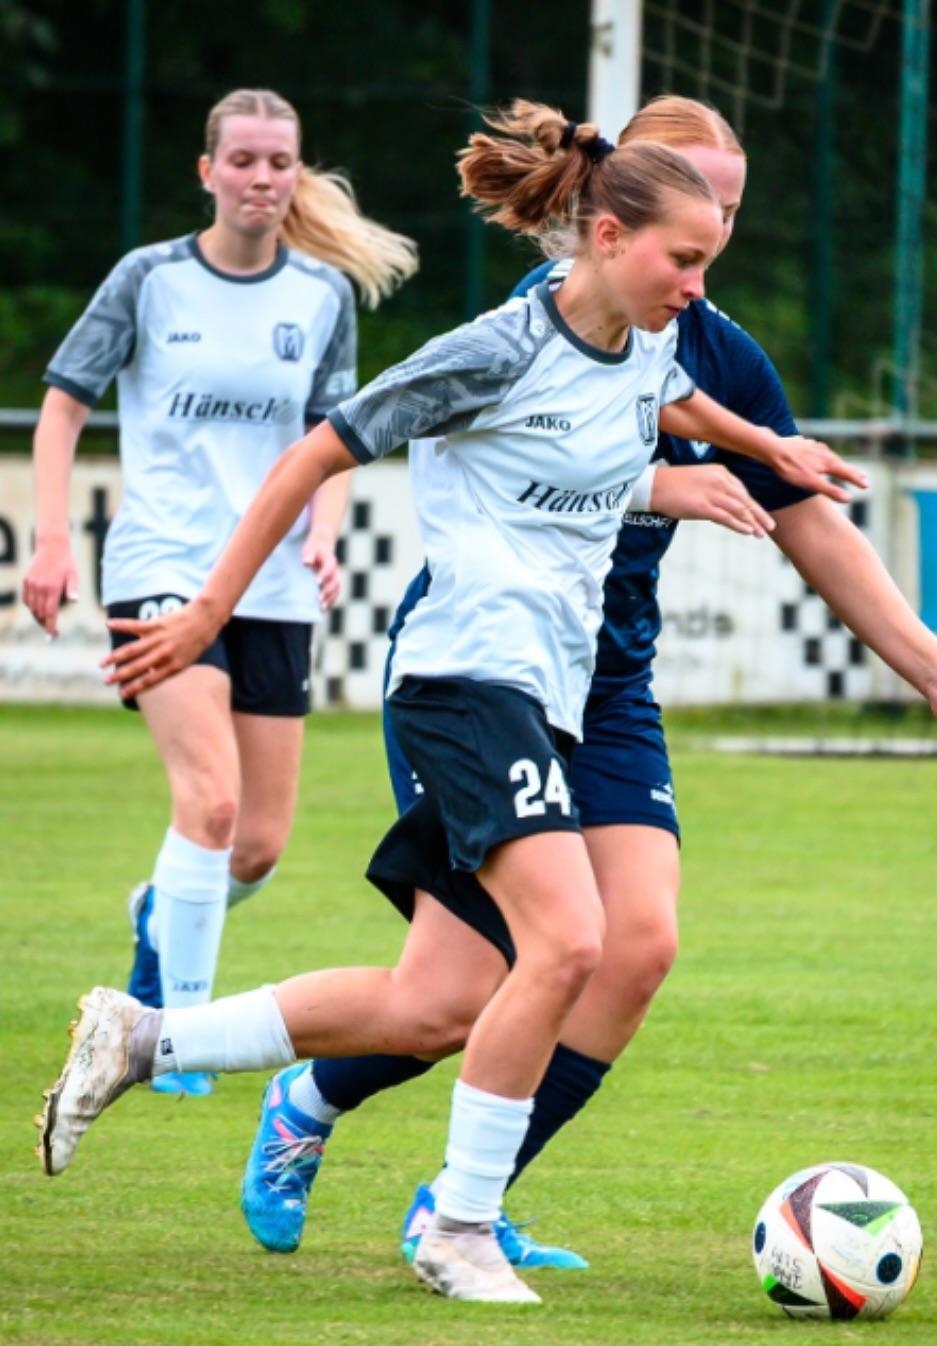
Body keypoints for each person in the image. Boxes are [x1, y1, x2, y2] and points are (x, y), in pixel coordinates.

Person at [36, 99, 868, 1306]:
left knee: (430, 1003)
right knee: (571, 939)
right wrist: (211, 610)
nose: (698, 285)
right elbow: (315, 452)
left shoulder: (641, 339)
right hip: (466, 679)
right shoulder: (489, 350)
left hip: (543, 695)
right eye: (683, 258)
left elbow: (668, 405)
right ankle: (459, 1225)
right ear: (604, 236)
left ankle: (146, 1035)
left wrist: (762, 451)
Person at [232, 95, 937, 1270]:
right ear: (617, 202)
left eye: (732, 209)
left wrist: (936, 674)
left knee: (634, 945)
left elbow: (807, 519)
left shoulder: (710, 340)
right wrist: (667, 485)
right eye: (695, 198)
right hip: (483, 670)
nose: (715, 230)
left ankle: (462, 1201)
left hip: (608, 685)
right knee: (481, 977)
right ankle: (307, 1099)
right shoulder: (558, 313)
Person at [22, 88, 418, 1096]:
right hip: (159, 565)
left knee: (257, 846)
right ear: (207, 172)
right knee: (210, 802)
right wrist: (54, 539)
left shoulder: (322, 294)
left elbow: (332, 441)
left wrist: (323, 535)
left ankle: (160, 914)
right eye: (241, 159)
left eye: (278, 161)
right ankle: (174, 1043)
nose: (260, 177)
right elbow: (62, 408)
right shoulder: (148, 279)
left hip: (273, 584)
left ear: (296, 173)